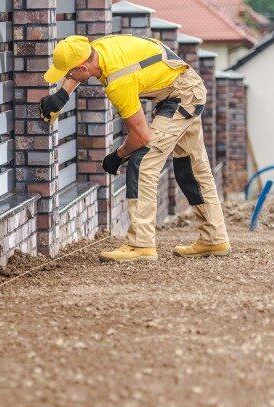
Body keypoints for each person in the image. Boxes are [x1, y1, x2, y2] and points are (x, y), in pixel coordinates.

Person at [40, 34, 230, 262]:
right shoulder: (99, 48)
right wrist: (63, 94)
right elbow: (81, 66)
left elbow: (141, 136)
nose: (67, 77)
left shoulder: (119, 81)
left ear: (82, 67)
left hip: (181, 96)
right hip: (184, 86)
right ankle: (214, 238)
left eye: (69, 73)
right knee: (191, 167)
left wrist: (117, 155)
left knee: (142, 162)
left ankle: (141, 244)